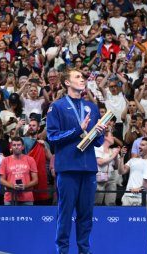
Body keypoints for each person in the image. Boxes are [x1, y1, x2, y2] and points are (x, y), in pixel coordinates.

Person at [47, 68, 107, 254]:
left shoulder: (93, 107)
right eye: (78, 77)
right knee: (65, 214)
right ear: (67, 82)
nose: (83, 79)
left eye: (83, 77)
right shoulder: (56, 107)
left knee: (86, 215)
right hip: (68, 167)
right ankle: (62, 251)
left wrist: (100, 131)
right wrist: (77, 129)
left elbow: (97, 141)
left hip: (88, 167)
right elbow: (52, 137)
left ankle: (84, 251)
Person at [0, 137, 38, 205]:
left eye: (18, 145)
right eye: (14, 145)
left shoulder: (30, 160)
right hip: (10, 198)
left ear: (23, 147)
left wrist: (25, 186)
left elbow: (36, 180)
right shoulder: (5, 160)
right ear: (11, 147)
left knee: (28, 216)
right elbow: (1, 180)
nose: (16, 147)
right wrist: (13, 186)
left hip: (27, 198)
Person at [118, 137, 147, 206]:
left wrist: (140, 189)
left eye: (143, 145)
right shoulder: (133, 160)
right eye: (140, 145)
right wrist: (122, 157)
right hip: (128, 196)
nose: (139, 147)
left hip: (144, 197)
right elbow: (121, 172)